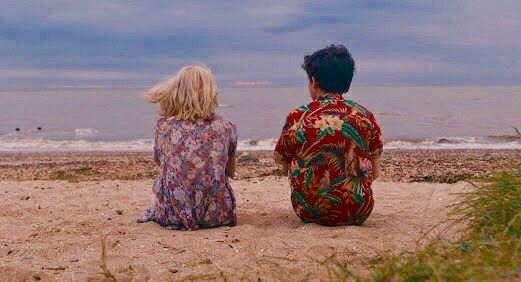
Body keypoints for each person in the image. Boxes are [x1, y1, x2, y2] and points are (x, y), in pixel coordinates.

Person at [274, 45, 383, 226]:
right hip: (358, 212)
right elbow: (376, 172)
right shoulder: (364, 115)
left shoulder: (298, 116)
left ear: (314, 82)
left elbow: (284, 166)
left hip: (308, 211)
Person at [138, 65, 238, 230]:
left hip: (172, 213)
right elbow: (230, 172)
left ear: (177, 91)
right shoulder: (226, 127)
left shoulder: (164, 127)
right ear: (211, 92)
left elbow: (160, 162)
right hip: (216, 214)